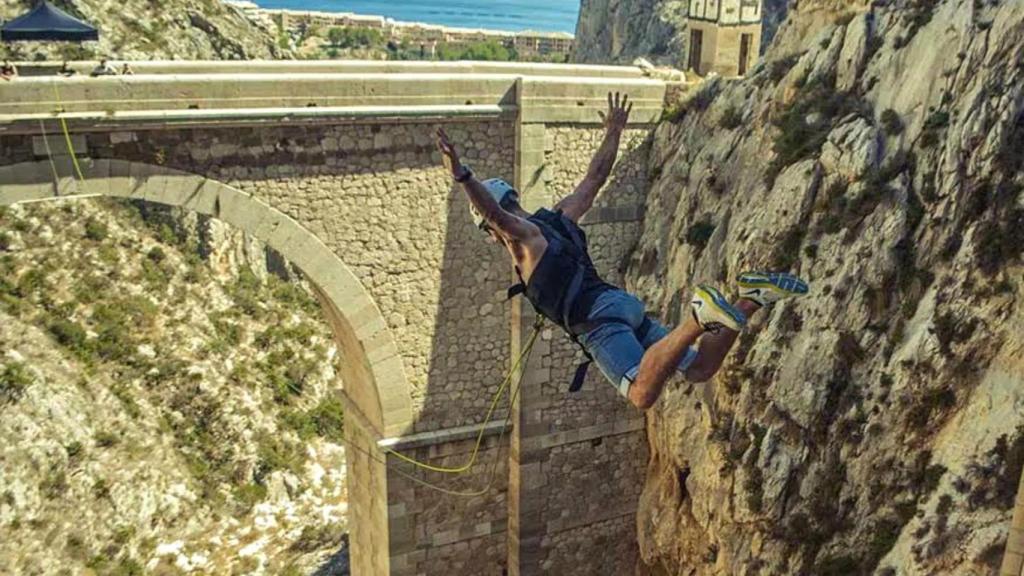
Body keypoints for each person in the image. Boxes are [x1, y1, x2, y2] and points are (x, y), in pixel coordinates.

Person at [435, 92, 809, 410]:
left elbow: (496, 215)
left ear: (490, 229)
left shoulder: (523, 239)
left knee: (642, 393)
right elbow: (595, 178)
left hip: (601, 323)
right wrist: (614, 130)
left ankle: (697, 319)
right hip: (620, 304)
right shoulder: (560, 216)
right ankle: (750, 297)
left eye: (489, 229)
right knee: (699, 369)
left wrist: (462, 176)